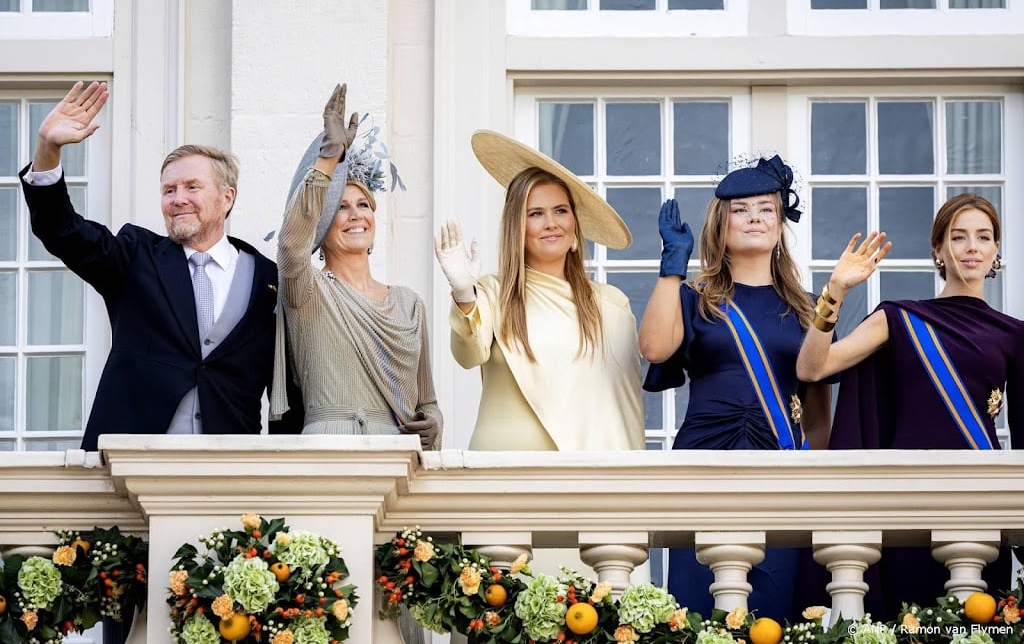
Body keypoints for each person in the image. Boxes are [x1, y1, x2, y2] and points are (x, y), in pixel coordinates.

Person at [796, 193, 1024, 618]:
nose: (972, 247)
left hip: (980, 502)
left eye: (983, 237)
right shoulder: (899, 318)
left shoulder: (1014, 334)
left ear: (996, 251)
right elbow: (814, 369)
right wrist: (836, 291)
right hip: (908, 502)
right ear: (938, 249)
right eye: (958, 237)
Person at [20, 81, 280, 452]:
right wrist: (48, 149)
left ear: (227, 198)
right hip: (132, 463)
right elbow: (63, 232)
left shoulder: (267, 279)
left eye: (192, 187)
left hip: (230, 471)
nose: (178, 200)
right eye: (169, 190)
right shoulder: (135, 256)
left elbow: (286, 386)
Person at [639, 155, 833, 621]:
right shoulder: (694, 296)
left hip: (781, 466)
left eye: (766, 209)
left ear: (781, 221)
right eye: (741, 209)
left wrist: (814, 474)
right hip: (704, 462)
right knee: (695, 608)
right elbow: (654, 348)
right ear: (720, 223)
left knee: (774, 613)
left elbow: (819, 408)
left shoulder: (811, 307)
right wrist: (672, 267)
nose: (755, 218)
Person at [433, 130, 644, 451]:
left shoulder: (611, 303)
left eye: (561, 211)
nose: (551, 223)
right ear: (517, 228)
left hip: (591, 483)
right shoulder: (492, 292)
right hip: (506, 476)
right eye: (536, 214)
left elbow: (623, 406)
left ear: (575, 227)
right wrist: (464, 294)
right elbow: (468, 354)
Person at [269, 83, 442, 450]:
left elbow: (426, 402)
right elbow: (290, 243)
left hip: (396, 453)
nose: (355, 215)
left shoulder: (409, 304)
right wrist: (329, 158)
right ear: (322, 224)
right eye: (341, 208)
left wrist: (432, 424)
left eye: (363, 205)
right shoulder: (309, 290)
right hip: (326, 448)